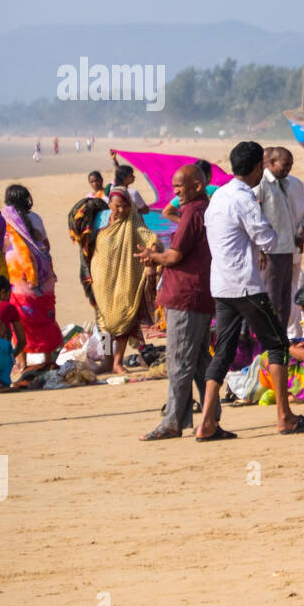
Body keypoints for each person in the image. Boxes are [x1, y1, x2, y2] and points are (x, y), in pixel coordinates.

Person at [200, 141, 304, 439]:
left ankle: (205, 422)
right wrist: (268, 236)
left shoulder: (218, 196)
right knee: (277, 344)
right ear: (258, 167)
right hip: (246, 285)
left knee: (224, 351)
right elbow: (266, 238)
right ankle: (284, 416)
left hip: (222, 284)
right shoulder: (243, 198)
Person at [136, 165, 214, 440]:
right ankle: (208, 417)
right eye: (174, 186)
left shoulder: (194, 211)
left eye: (180, 186)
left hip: (186, 294)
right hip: (199, 294)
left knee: (180, 361)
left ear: (197, 185)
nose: (176, 191)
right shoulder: (202, 209)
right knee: (199, 360)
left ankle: (172, 422)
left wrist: (152, 256)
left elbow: (174, 256)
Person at [90, 190, 160, 374]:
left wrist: (151, 251)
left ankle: (118, 362)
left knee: (123, 317)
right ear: (109, 205)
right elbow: (87, 243)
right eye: (117, 206)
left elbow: (150, 237)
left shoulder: (133, 221)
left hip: (125, 277)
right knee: (103, 321)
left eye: (124, 206)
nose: (121, 210)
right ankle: (107, 361)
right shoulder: (100, 219)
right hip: (101, 279)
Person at [2, 184, 63, 366]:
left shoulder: (6, 220)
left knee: (19, 319)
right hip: (44, 277)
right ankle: (47, 359)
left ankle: (22, 362)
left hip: (18, 276)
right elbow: (46, 244)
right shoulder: (35, 217)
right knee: (46, 315)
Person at [254, 147, 304, 335]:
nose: (288, 169)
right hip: (272, 252)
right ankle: (276, 339)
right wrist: (261, 248)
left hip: (288, 250)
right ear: (269, 164)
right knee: (273, 298)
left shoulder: (288, 183)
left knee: (286, 298)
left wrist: (299, 233)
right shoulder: (261, 185)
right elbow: (255, 219)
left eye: (290, 165)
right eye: (285, 165)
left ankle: (285, 337)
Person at [161, 160, 219, 224]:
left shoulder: (187, 193)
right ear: (209, 176)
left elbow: (166, 212)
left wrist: (186, 223)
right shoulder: (217, 191)